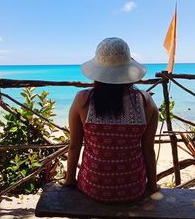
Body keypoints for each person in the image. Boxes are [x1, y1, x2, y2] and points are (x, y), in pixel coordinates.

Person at [63, 37, 159, 202]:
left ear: (98, 71)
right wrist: (152, 186)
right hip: (133, 189)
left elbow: (74, 147)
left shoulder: (83, 100)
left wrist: (70, 180)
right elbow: (148, 150)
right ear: (129, 70)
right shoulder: (145, 102)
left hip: (92, 187)